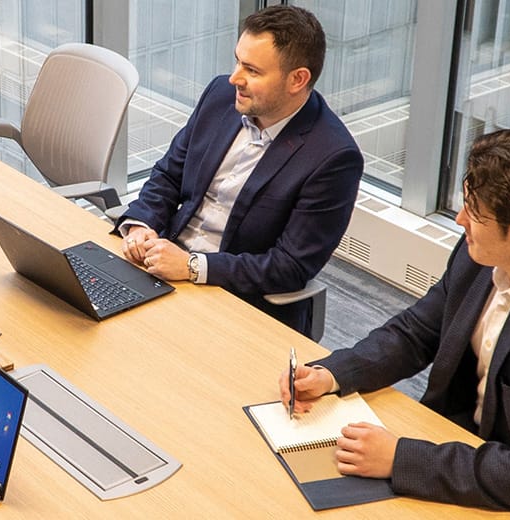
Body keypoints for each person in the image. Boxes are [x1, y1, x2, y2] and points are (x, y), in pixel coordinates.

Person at [281, 129, 510, 513]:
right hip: (471, 449)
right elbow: (417, 332)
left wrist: (400, 458)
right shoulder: (484, 253)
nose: (459, 220)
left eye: (474, 213)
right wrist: (333, 373)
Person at [116, 5, 363, 334]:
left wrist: (192, 267)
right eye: (237, 61)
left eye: (252, 70)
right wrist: (141, 226)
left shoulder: (333, 157)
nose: (235, 78)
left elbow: (289, 267)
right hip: (163, 268)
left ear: (298, 79)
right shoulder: (220, 95)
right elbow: (169, 175)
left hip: (236, 302)